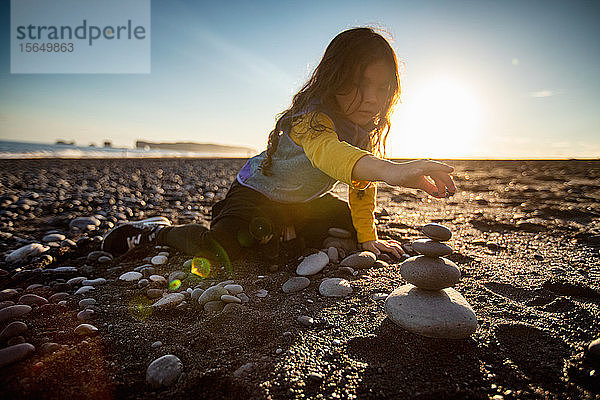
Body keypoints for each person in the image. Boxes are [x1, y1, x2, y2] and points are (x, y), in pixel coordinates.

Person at [101, 27, 456, 273]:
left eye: (383, 87)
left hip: (299, 201)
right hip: (257, 193)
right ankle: (155, 231)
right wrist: (393, 171)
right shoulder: (310, 119)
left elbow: (360, 186)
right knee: (223, 250)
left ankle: (285, 229)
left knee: (348, 223)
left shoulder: (362, 126)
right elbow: (330, 155)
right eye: (361, 85)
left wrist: (368, 238)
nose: (374, 99)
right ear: (334, 79)